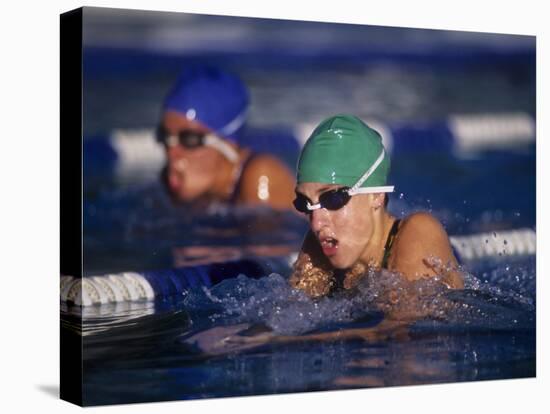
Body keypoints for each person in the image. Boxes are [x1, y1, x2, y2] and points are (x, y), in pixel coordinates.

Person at [289, 114, 464, 298]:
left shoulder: (419, 232)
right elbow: (287, 315)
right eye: (305, 203)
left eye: (332, 199)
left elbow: (401, 325)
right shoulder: (320, 245)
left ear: (377, 195)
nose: (316, 223)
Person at [157, 66, 295, 210]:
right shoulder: (180, 188)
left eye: (189, 140)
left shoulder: (260, 176)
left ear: (228, 143)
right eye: (164, 136)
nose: (172, 154)